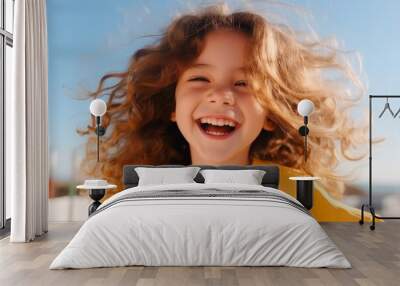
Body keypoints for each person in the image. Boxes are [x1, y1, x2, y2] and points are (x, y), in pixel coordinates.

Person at [79, 4, 372, 222]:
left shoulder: (293, 193)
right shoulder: (139, 196)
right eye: (200, 79)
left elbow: (367, 228)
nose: (221, 95)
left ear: (270, 113)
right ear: (171, 105)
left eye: (243, 83)